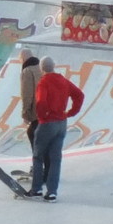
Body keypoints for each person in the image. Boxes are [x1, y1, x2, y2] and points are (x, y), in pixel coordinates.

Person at [30, 57, 84, 201]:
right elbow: (79, 95)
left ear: (41, 68)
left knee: (38, 156)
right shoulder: (63, 81)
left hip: (48, 123)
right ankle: (52, 192)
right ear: (54, 66)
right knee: (55, 158)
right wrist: (71, 112)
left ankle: (36, 189)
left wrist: (43, 115)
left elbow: (41, 101)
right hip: (61, 123)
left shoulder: (43, 82)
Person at [19, 51, 40, 162]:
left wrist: (25, 114)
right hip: (49, 111)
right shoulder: (41, 67)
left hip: (36, 111)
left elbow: (27, 94)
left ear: (23, 59)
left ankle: (37, 167)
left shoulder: (27, 71)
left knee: (32, 134)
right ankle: (47, 168)